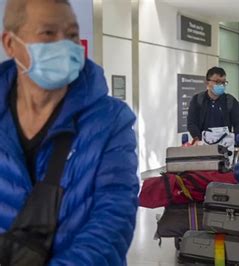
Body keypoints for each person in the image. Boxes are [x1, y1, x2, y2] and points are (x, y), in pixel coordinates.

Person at [0, 0, 138, 264]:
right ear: (10, 44)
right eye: (48, 33)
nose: (66, 44)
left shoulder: (110, 120)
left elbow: (113, 219)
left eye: (72, 34)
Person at [187, 67, 239, 142]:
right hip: (203, 144)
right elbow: (191, 123)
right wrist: (198, 139)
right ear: (207, 82)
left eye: (223, 82)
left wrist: (236, 139)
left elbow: (238, 124)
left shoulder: (230, 101)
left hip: (225, 145)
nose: (221, 85)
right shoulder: (198, 100)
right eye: (217, 82)